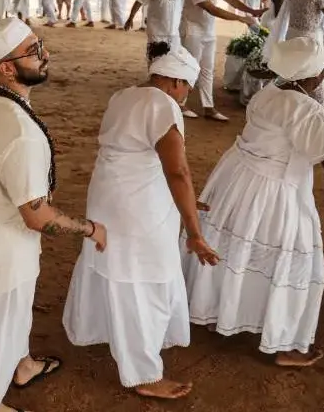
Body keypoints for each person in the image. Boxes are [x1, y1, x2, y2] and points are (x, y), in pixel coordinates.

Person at [185, 37, 324, 368]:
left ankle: (219, 311)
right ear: (311, 78)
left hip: (239, 180)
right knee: (288, 259)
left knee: (235, 247)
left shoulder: (268, 92)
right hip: (275, 191)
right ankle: (284, 344)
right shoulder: (308, 110)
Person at [0, 18, 108, 412]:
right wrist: (89, 228)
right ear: (7, 68)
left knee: (16, 310)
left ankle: (24, 364)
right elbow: (37, 216)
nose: (47, 56)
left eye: (40, 45)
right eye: (34, 52)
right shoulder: (18, 131)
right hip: (4, 244)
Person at [63, 43, 219, 400]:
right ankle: (143, 374)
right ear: (176, 81)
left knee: (114, 266)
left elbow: (136, 156)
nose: (185, 98)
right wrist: (194, 231)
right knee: (140, 278)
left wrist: (184, 202)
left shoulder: (124, 95)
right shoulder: (163, 105)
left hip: (109, 196)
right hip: (136, 209)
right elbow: (177, 171)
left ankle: (111, 332)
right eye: (187, 90)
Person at [177, 0, 262, 121]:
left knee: (207, 70)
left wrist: (251, 10)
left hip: (207, 31)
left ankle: (208, 107)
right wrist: (241, 18)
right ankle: (180, 103)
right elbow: (212, 8)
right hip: (192, 31)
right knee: (190, 68)